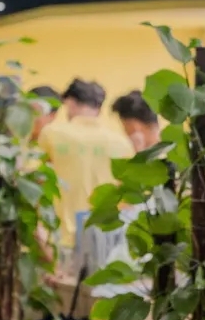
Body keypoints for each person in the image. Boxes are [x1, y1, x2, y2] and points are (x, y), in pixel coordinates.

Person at [38, 79, 135, 249]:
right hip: (104, 241)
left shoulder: (51, 134)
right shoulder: (122, 143)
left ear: (69, 103)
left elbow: (34, 180)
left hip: (60, 238)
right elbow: (130, 198)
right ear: (99, 107)